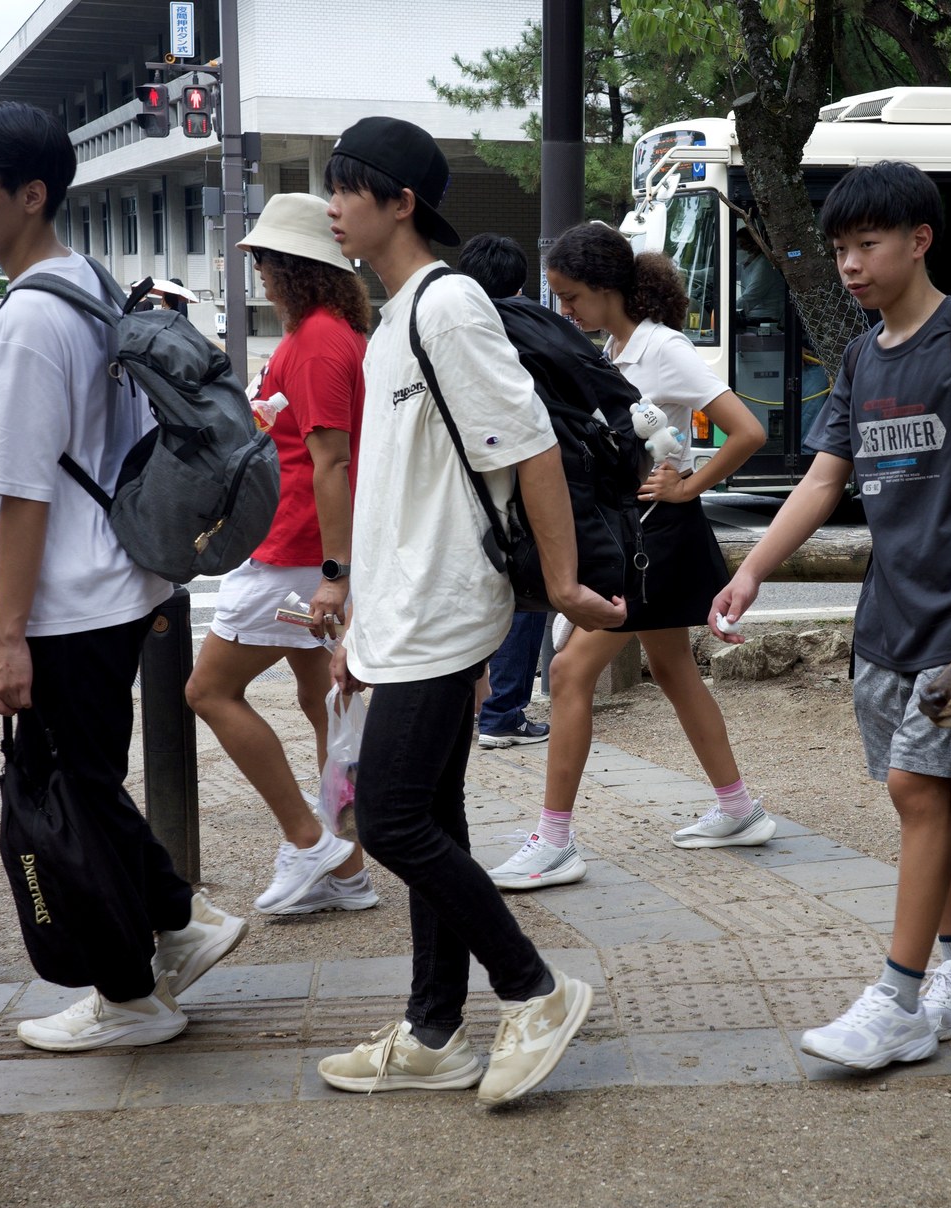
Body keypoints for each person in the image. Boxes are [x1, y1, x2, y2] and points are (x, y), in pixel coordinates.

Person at [711, 162, 951, 1070]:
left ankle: (899, 998)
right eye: (839, 250)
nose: (851, 265)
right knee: (922, 802)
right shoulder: (859, 358)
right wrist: (752, 571)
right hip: (887, 623)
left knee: (914, 790)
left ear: (918, 241)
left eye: (867, 245)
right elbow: (824, 479)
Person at [316, 116, 624, 1104]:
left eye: (347, 187)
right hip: (404, 613)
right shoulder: (395, 315)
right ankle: (433, 1030)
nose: (333, 205)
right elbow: (394, 493)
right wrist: (358, 625)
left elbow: (527, 445)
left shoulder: (447, 306)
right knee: (430, 811)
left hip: (445, 609)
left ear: (401, 201)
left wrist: (566, 583)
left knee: (394, 819)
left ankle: (534, 987)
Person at [0, 101, 246, 1053]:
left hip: (67, 602)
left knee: (70, 793)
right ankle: (181, 925)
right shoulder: (85, 282)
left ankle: (130, 997)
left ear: (30, 195)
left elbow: (24, 492)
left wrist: (5, 635)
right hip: (114, 581)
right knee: (91, 784)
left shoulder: (33, 315)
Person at [489, 221, 773, 892]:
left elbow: (749, 430)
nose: (565, 312)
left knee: (567, 671)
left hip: (657, 534)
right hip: (646, 533)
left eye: (571, 296)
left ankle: (554, 839)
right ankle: (736, 807)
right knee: (673, 669)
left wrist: (687, 484)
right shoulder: (621, 345)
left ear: (607, 289)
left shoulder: (661, 347)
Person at [186, 193, 376, 918]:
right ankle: (347, 866)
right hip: (303, 547)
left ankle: (311, 841)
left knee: (208, 690)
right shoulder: (331, 334)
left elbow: (333, 463)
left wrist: (335, 574)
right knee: (321, 699)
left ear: (296, 267)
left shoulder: (320, 341)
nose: (258, 271)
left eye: (265, 259)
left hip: (296, 552)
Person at [457, 232, 550, 750]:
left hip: (458, 487)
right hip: (515, 486)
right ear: (518, 287)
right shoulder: (521, 329)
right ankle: (502, 711)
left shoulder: (446, 327)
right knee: (526, 598)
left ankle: (478, 702)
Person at [735, 226, 784, 324]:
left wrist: (724, 309)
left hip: (767, 319)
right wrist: (696, 274)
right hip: (753, 316)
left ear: (755, 246)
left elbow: (748, 299)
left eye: (741, 246)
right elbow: (724, 273)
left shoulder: (764, 266)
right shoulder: (747, 264)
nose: (738, 250)